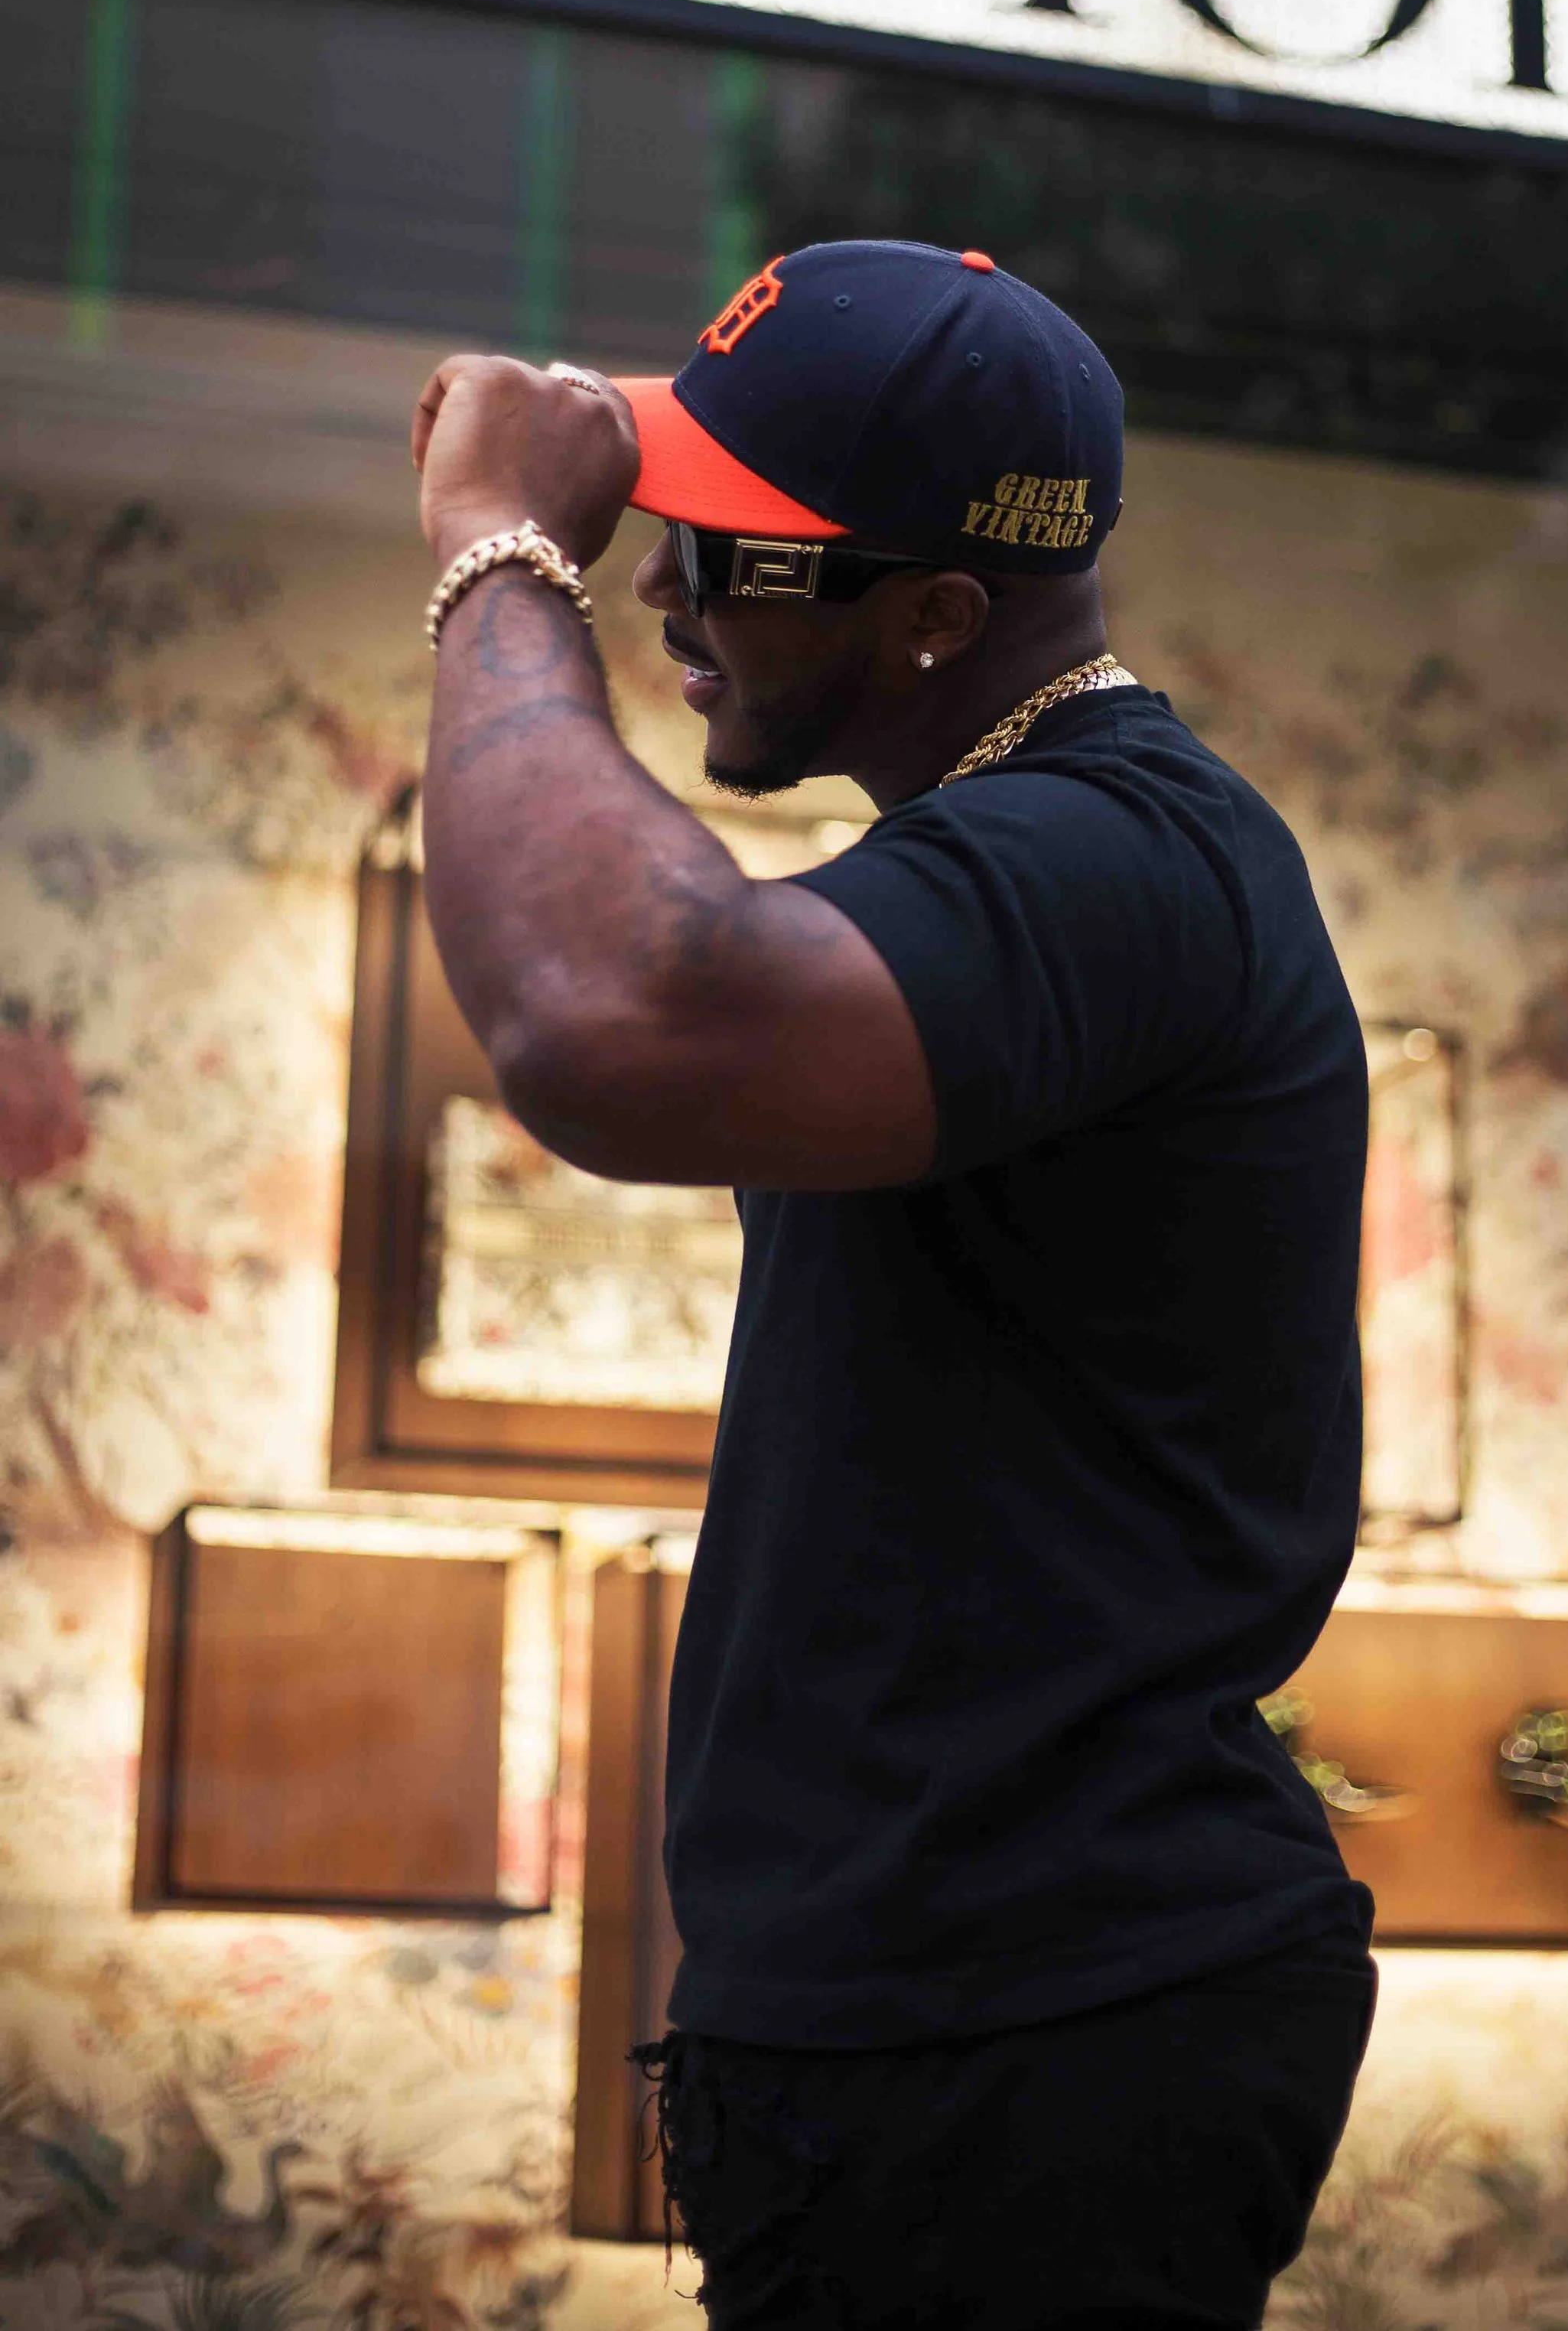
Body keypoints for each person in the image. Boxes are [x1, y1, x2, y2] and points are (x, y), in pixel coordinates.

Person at [412, 238, 1376, 2330]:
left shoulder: (1125, 854)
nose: (660, 587)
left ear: (939, 614)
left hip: (1035, 2037)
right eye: (661, 522)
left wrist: (498, 555)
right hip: (953, 2026)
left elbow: (605, 1009)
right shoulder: (1022, 856)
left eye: (727, 558)